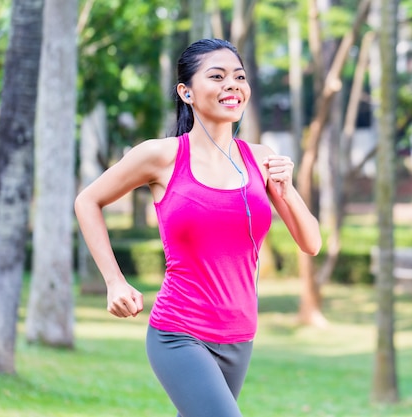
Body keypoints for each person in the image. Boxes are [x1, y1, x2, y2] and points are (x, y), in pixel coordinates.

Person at [74, 38, 322, 417]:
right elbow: (87, 201)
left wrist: (287, 191)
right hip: (179, 331)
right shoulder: (162, 156)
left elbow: (311, 242)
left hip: (240, 336)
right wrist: (114, 281)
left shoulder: (262, 160)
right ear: (186, 92)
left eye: (239, 76)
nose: (232, 85)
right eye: (217, 76)